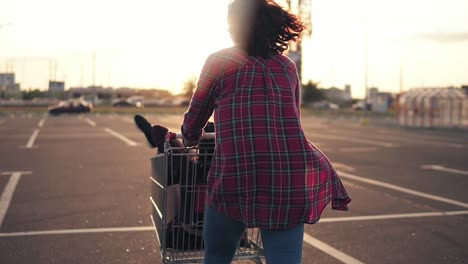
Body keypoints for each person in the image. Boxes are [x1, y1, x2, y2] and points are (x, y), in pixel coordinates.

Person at [180, 0, 351, 263]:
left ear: (237, 28)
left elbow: (195, 119)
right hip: (287, 181)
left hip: (235, 178)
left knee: (216, 256)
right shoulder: (287, 68)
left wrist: (190, 138)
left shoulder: (219, 61)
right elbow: (290, 120)